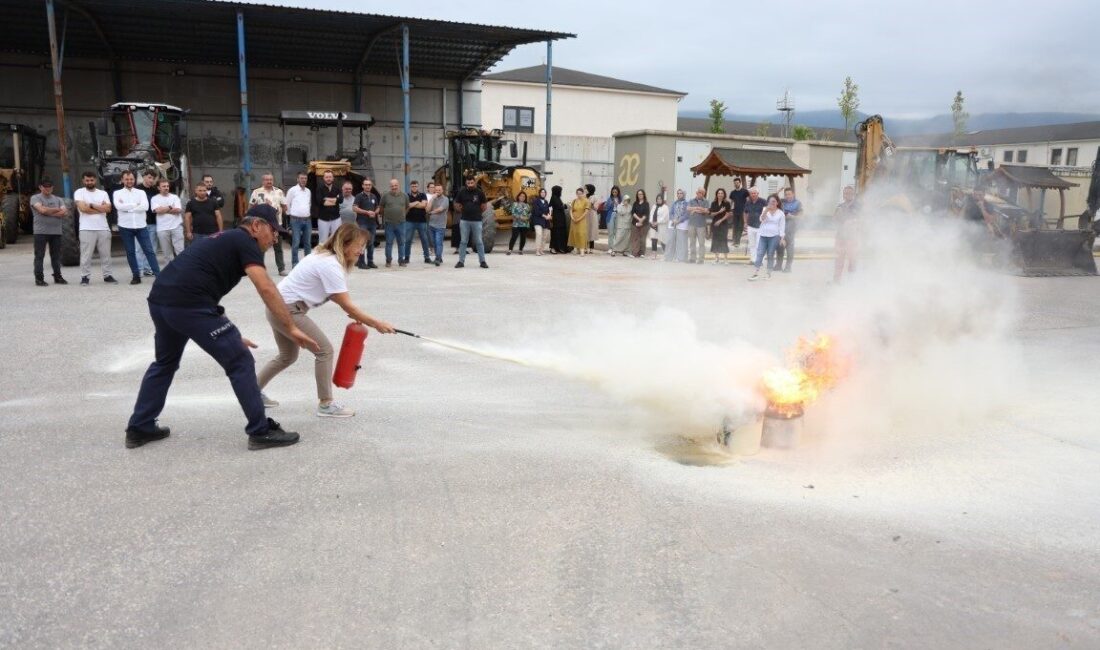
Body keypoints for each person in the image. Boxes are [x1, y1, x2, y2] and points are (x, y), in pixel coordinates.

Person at [125, 204, 320, 451]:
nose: (274, 239)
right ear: (256, 226)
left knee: (165, 363)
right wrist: (291, 327)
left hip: (162, 300)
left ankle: (140, 426)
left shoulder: (226, 239)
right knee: (240, 360)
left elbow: (203, 284)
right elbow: (267, 287)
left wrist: (227, 330)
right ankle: (260, 431)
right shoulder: (246, 241)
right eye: (273, 231)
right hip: (188, 304)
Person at [257, 223, 396, 418]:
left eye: (363, 246)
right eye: (358, 245)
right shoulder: (330, 265)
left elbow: (338, 299)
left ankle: (251, 392)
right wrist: (377, 323)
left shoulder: (323, 256)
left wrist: (356, 314)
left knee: (287, 356)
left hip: (277, 307)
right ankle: (326, 404)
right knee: (324, 351)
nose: (361, 250)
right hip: (288, 310)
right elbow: (347, 305)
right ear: (345, 244)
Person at [113, 170, 161, 285]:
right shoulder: (117, 193)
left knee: (149, 251)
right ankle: (136, 276)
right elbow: (119, 206)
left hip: (141, 226)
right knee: (130, 252)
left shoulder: (141, 192)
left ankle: (158, 275)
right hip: (125, 226)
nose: (129, 181)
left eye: (131, 179)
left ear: (134, 180)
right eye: (127, 179)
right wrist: (136, 205)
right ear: (122, 180)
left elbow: (145, 207)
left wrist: (128, 208)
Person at [74, 171, 116, 286]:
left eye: (91, 180)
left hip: (103, 228)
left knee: (106, 254)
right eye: (87, 180)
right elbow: (83, 209)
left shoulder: (103, 193)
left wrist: (92, 205)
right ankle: (85, 277)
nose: (89, 182)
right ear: (83, 181)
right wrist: (100, 208)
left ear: (95, 180)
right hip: (86, 228)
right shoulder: (79, 192)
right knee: (86, 255)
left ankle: (108, 275)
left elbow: (108, 209)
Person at [29, 178, 68, 286]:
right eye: (45, 187)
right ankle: (39, 278)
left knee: (56, 256)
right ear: (40, 187)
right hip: (40, 232)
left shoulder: (58, 199)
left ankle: (58, 276)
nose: (48, 188)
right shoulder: (35, 198)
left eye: (49, 186)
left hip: (56, 232)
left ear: (52, 187)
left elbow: (64, 213)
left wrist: (47, 211)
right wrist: (57, 210)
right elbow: (41, 210)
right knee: (39, 255)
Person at [249, 174, 288, 276]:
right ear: (263, 181)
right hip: (262, 226)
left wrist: (278, 211)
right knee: (260, 248)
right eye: (267, 180)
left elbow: (285, 207)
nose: (269, 181)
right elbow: (251, 208)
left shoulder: (279, 192)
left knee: (278, 248)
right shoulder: (256, 192)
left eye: (271, 179)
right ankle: (260, 269)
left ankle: (281, 269)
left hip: (276, 226)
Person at [454, 175, 489, 268]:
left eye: (472, 183)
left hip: (477, 221)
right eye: (468, 183)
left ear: (474, 182)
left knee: (479, 241)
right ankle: (461, 262)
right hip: (464, 220)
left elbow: (484, 205)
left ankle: (482, 261)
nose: (470, 184)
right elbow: (457, 203)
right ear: (466, 183)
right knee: (463, 241)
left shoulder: (480, 192)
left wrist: (477, 212)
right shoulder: (462, 192)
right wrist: (461, 210)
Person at [749, 194, 786, 281]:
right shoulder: (765, 209)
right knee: (760, 253)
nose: (772, 203)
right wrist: (766, 210)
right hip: (763, 235)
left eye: (774, 201)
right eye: (770, 201)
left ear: (777, 202)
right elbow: (761, 219)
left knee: (770, 254)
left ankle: (768, 273)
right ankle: (756, 273)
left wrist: (782, 238)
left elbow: (782, 226)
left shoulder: (781, 213)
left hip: (774, 236)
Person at [150, 179, 184, 264]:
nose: (166, 188)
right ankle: (170, 269)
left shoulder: (175, 197)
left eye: (167, 186)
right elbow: (157, 211)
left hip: (176, 226)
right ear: (158, 188)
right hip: (162, 228)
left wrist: (163, 209)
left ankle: (182, 268)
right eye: (164, 186)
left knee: (180, 250)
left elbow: (178, 210)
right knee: (167, 253)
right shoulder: (154, 198)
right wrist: (170, 207)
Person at [135, 170, 160, 277]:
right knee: (139, 248)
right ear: (144, 177)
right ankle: (139, 269)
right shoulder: (137, 189)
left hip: (153, 222)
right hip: (140, 223)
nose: (151, 180)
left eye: (153, 178)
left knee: (152, 247)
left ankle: (148, 268)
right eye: (149, 177)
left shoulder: (155, 191)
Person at [833, 185, 860, 283]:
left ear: (853, 194)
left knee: (852, 260)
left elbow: (863, 218)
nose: (846, 195)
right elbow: (834, 219)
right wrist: (837, 216)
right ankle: (836, 280)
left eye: (849, 193)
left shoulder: (858, 206)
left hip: (852, 238)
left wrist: (853, 221)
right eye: (845, 193)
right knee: (839, 259)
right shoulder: (840, 206)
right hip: (840, 236)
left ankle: (851, 281)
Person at [285, 172, 312, 268]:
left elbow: (309, 204)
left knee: (308, 243)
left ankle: (308, 263)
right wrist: (290, 215)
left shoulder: (308, 191)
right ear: (297, 179)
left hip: (307, 220)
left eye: (305, 178)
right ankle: (295, 263)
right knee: (296, 243)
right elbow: (287, 204)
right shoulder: (292, 190)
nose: (303, 180)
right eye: (301, 178)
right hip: (295, 220)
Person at [352, 178, 380, 269]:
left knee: (371, 243)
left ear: (371, 186)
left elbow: (378, 207)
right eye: (366, 185)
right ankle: (361, 262)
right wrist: (367, 212)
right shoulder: (359, 196)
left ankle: (370, 261)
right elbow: (354, 208)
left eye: (369, 185)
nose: (368, 186)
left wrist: (375, 212)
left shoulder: (374, 196)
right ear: (363, 186)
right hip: (362, 223)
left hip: (372, 223)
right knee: (362, 243)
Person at [775, 187, 803, 272]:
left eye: (789, 194)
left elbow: (801, 216)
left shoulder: (798, 203)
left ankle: (788, 267)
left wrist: (792, 216)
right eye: (786, 194)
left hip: (791, 228)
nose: (787, 196)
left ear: (793, 194)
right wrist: (778, 192)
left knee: (789, 248)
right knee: (780, 246)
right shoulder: (782, 202)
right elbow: (772, 199)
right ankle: (779, 265)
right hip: (781, 228)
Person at [402, 179, 430, 264]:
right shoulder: (406, 196)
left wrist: (412, 204)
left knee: (424, 240)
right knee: (408, 240)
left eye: (416, 186)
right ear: (410, 187)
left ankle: (427, 257)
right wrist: (417, 202)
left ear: (418, 187)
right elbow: (406, 205)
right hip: (409, 221)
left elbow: (424, 205)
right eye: (413, 186)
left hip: (422, 221)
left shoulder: (423, 195)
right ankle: (406, 257)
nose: (414, 187)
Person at [315, 170, 342, 244]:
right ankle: (322, 252)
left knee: (336, 240)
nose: (328, 179)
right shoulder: (319, 189)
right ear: (323, 178)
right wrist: (335, 199)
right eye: (326, 177)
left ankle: (335, 252)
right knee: (322, 241)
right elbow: (320, 202)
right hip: (323, 219)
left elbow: (341, 200)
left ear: (333, 178)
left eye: (330, 177)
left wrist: (326, 198)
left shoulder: (337, 188)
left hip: (336, 218)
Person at [427, 181, 450, 265]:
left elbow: (440, 209)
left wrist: (431, 212)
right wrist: (432, 199)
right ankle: (439, 257)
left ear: (442, 190)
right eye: (436, 190)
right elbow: (427, 209)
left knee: (438, 242)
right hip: (431, 224)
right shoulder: (433, 199)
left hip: (440, 225)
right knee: (433, 243)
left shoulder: (445, 199)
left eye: (439, 190)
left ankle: (437, 258)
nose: (438, 191)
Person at [744, 187, 767, 265]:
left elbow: (767, 212)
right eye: (752, 193)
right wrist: (745, 222)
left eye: (754, 193)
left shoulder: (763, 201)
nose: (753, 194)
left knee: (759, 244)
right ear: (750, 194)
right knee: (752, 244)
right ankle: (753, 259)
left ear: (758, 194)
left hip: (760, 226)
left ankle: (760, 260)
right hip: (750, 225)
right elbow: (745, 213)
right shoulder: (748, 202)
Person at [709, 188, 732, 264]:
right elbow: (711, 214)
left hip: (723, 224)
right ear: (716, 194)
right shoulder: (713, 203)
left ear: (724, 194)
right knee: (715, 240)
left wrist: (720, 220)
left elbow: (728, 214)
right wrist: (719, 211)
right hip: (715, 224)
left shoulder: (727, 203)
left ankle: (725, 259)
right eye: (719, 193)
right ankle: (716, 258)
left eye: (722, 193)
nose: (720, 194)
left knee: (723, 240)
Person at [686, 188, 710, 264]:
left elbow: (706, 211)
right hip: (691, 224)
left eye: (703, 193)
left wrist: (694, 210)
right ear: (697, 192)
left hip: (701, 225)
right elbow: (688, 208)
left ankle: (701, 259)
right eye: (700, 192)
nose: (701, 194)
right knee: (692, 242)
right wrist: (698, 208)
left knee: (701, 243)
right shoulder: (691, 200)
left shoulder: (706, 201)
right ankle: (692, 258)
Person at [665, 189, 689, 262]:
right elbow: (671, 213)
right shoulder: (674, 203)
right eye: (678, 193)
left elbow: (687, 214)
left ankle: (681, 258)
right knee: (670, 241)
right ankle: (668, 257)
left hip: (682, 224)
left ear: (683, 194)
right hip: (673, 223)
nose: (679, 194)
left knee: (681, 242)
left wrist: (679, 220)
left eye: (681, 193)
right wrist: (673, 219)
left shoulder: (687, 203)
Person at [629, 189, 650, 258]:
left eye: (641, 194)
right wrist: (638, 219)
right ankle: (634, 253)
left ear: (643, 195)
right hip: (635, 223)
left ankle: (642, 253)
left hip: (644, 224)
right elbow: (633, 212)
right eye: (638, 194)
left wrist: (641, 220)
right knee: (635, 238)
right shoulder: (635, 203)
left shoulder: (646, 204)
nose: (640, 195)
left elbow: (646, 213)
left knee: (642, 239)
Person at [569, 187, 590, 255]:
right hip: (574, 220)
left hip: (582, 220)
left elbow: (586, 212)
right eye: (578, 194)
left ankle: (582, 249)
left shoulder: (586, 201)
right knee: (574, 233)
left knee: (581, 234)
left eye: (580, 193)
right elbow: (571, 210)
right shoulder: (574, 201)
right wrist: (572, 217)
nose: (579, 195)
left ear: (583, 194)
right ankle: (575, 248)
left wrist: (579, 219)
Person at [729, 178, 749, 247]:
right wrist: (730, 210)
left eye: (737, 183)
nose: (736, 184)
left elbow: (748, 201)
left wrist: (747, 211)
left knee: (740, 227)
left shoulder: (745, 191)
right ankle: (734, 241)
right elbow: (731, 202)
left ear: (740, 183)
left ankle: (737, 242)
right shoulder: (732, 192)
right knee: (735, 226)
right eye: (735, 183)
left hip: (742, 212)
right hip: (735, 211)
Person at [530, 187, 550, 255]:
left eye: (544, 192)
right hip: (538, 220)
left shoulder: (546, 201)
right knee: (539, 234)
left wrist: (549, 215)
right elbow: (537, 211)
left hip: (545, 221)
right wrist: (545, 216)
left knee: (545, 236)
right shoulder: (536, 201)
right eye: (542, 192)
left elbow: (548, 211)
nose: (543, 193)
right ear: (539, 193)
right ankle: (537, 250)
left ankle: (541, 250)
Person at [603, 186, 622, 253]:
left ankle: (616, 247)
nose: (614, 193)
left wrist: (617, 204)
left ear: (618, 192)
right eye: (613, 192)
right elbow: (605, 208)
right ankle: (610, 248)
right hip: (611, 215)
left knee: (617, 232)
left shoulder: (621, 199)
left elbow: (623, 208)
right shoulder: (609, 198)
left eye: (616, 192)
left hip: (618, 215)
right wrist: (610, 203)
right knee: (611, 232)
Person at [650, 194, 669, 259]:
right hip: (653, 225)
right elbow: (651, 214)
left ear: (662, 200)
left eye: (660, 199)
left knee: (663, 240)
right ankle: (654, 254)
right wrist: (651, 222)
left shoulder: (665, 207)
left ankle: (666, 254)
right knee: (654, 239)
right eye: (658, 199)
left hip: (661, 226)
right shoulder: (654, 206)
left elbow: (665, 217)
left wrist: (657, 222)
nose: (659, 200)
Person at [585, 183, 599, 251]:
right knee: (585, 230)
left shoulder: (595, 197)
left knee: (591, 231)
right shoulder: (584, 196)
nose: (585, 190)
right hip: (585, 215)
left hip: (592, 215)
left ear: (589, 189)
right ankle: (585, 247)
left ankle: (591, 247)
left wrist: (591, 204)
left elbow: (596, 208)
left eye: (586, 188)